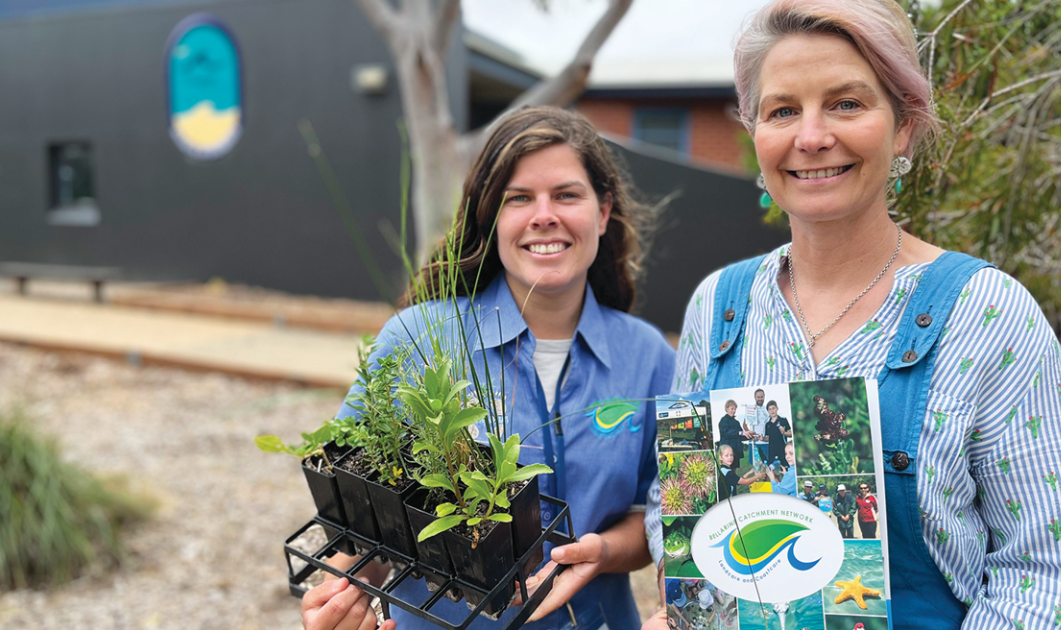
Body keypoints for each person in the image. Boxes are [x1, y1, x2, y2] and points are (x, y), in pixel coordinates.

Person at [645, 1, 1061, 628]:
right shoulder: (718, 307)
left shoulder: (986, 314)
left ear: (904, 127)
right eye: (783, 110)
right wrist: (691, 603)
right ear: (755, 134)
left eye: (846, 103)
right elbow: (674, 508)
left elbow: (1057, 577)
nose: (811, 137)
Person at [300, 107, 675, 630]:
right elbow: (364, 514)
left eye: (566, 195)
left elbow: (655, 516)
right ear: (490, 217)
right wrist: (340, 595)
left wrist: (604, 551)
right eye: (518, 198)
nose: (544, 215)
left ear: (603, 210)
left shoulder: (650, 356)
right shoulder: (415, 340)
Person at [717, 399, 747, 465]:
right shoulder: (723, 420)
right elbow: (726, 433)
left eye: (735, 409)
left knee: (734, 471)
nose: (734, 411)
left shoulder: (736, 422)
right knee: (727, 471)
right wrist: (740, 433)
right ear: (726, 409)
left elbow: (741, 436)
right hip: (726, 451)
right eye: (732, 409)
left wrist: (750, 436)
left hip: (736, 450)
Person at [763, 399, 792, 464]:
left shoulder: (783, 420)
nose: (772, 410)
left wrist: (784, 433)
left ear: (777, 408)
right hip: (772, 451)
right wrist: (762, 439)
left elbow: (790, 434)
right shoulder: (767, 424)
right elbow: (768, 438)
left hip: (782, 450)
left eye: (773, 408)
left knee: (784, 469)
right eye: (770, 409)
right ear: (768, 411)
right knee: (773, 470)